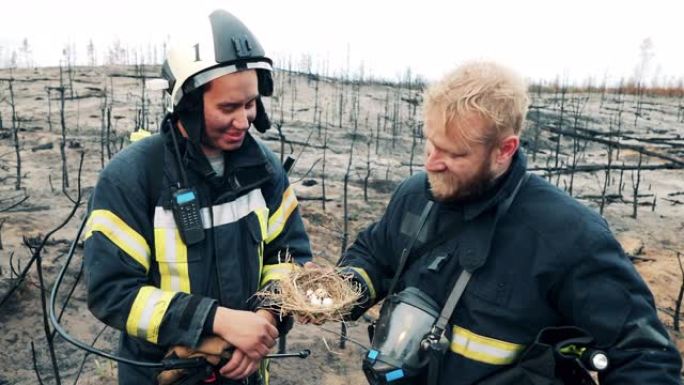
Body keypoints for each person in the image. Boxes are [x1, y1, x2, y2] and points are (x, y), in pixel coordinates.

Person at [336, 61, 682, 384]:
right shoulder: (415, 195)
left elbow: (644, 358)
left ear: (505, 150)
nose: (432, 164)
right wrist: (341, 290)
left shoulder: (569, 236)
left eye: (455, 154)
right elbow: (375, 254)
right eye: (430, 144)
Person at [84, 9, 311, 385]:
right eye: (228, 108)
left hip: (247, 373)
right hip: (160, 376)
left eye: (250, 103)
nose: (244, 121)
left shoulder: (264, 170)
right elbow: (113, 291)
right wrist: (217, 321)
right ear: (186, 105)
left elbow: (288, 257)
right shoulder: (132, 178)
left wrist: (263, 322)